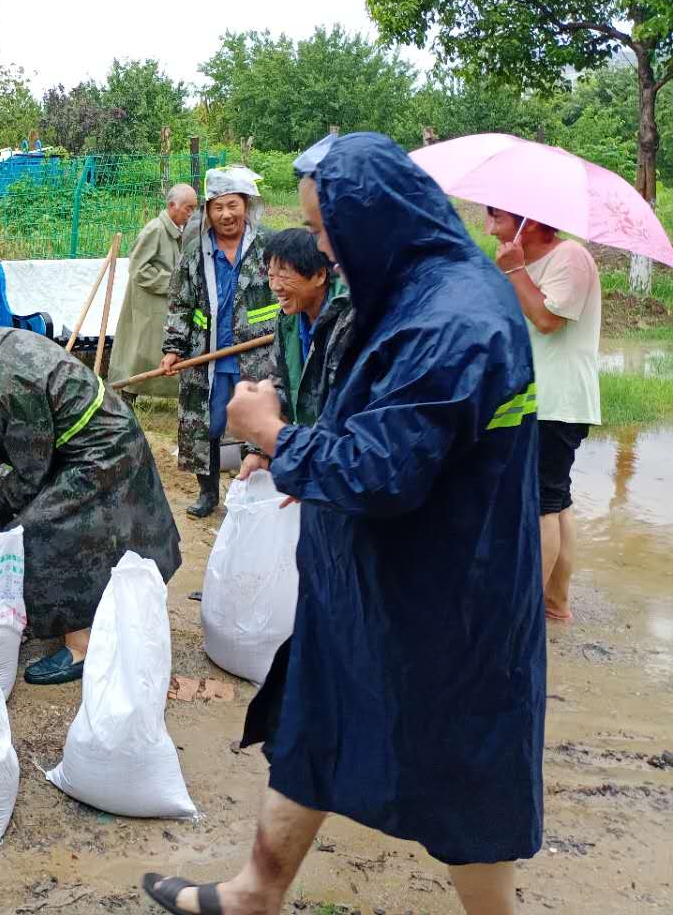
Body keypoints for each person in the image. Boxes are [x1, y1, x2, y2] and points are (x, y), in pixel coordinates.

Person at [142, 133, 545, 915]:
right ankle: (256, 893)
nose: (321, 246)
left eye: (328, 230)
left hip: (441, 597)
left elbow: (382, 469)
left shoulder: (456, 319)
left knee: (465, 764)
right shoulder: (413, 293)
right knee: (314, 721)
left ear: (377, 219)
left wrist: (273, 438)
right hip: (367, 581)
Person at [0, 322, 181, 685]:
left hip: (101, 447)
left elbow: (32, 471)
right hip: (79, 438)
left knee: (42, 527)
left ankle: (82, 645)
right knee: (30, 518)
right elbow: (19, 432)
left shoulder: (7, 385)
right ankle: (48, 609)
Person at [486, 210, 601, 622]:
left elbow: (548, 319)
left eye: (494, 215)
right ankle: (555, 603)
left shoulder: (570, 257)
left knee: (541, 503)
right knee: (556, 498)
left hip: (556, 400)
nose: (487, 223)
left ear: (528, 223)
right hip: (536, 398)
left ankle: (524, 613)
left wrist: (515, 271)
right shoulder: (523, 263)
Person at [161, 167, 278, 518]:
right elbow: (180, 303)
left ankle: (250, 494)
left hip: (257, 354)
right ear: (208, 212)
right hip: (206, 354)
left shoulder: (268, 246)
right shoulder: (197, 251)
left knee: (255, 426)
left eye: (233, 205)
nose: (226, 214)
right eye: (218, 207)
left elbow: (288, 291)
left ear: (247, 205)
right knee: (205, 426)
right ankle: (207, 493)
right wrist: (173, 349)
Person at [236, 228, 354, 479]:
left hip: (339, 464)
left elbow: (345, 408)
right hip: (308, 456)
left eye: (284, 277)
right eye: (270, 276)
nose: (275, 287)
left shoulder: (349, 321)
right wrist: (259, 450)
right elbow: (279, 385)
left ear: (320, 275)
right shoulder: (287, 321)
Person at [108, 184, 201, 402]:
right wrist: (174, 283)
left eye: (193, 209)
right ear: (171, 206)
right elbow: (138, 268)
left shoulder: (172, 232)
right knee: (140, 353)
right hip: (147, 304)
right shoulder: (155, 230)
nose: (191, 213)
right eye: (188, 208)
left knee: (159, 350)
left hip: (161, 302)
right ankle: (126, 395)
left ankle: (168, 394)